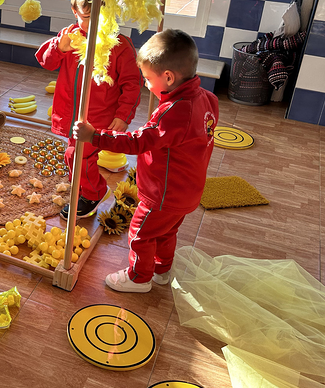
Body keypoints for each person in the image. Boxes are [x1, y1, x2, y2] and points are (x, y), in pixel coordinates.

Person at [73, 29, 218, 293]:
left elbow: (138, 141)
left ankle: (139, 278)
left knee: (140, 233)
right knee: (165, 233)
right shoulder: (208, 99)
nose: (146, 84)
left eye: (148, 79)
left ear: (169, 77)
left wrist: (96, 137)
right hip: (188, 191)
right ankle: (161, 270)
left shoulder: (175, 112)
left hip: (164, 194)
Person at [36, 0, 142, 219]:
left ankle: (93, 192)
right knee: (74, 157)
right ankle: (85, 186)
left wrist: (124, 116)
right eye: (87, 18)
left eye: (102, 18)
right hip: (69, 112)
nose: (95, 24)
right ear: (74, 10)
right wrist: (58, 47)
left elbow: (132, 85)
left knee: (77, 156)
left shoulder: (120, 46)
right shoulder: (69, 37)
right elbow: (45, 61)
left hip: (98, 119)